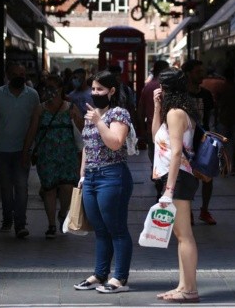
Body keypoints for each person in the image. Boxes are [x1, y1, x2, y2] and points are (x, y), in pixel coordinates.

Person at [73, 70, 134, 294]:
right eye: (93, 88)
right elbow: (87, 149)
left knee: (116, 229)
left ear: (112, 91)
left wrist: (99, 122)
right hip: (91, 178)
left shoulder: (118, 114)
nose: (95, 93)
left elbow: (115, 142)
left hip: (112, 176)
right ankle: (100, 274)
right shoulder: (92, 114)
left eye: (100, 89)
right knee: (100, 230)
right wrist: (82, 176)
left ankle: (120, 278)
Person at [151, 68, 201, 303]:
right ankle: (183, 286)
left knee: (184, 235)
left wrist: (168, 190)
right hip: (176, 177)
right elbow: (155, 139)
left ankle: (189, 289)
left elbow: (176, 152)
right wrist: (156, 108)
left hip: (178, 177)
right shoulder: (173, 112)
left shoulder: (176, 114)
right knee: (181, 235)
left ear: (167, 88)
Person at [0, 63, 40, 238]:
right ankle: (7, 218)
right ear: (7, 75)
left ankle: (20, 223)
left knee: (21, 186)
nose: (19, 76)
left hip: (23, 149)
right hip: (1, 149)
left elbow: (36, 122)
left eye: (22, 73)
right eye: (15, 74)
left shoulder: (33, 95)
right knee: (6, 187)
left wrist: (31, 148)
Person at [22, 75, 84, 239]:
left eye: (52, 87)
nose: (49, 91)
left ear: (60, 89)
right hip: (47, 155)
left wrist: (77, 119)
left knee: (67, 188)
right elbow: (32, 131)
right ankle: (51, 225)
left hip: (68, 156)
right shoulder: (40, 109)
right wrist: (26, 152)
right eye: (46, 87)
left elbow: (83, 129)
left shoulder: (71, 107)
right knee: (49, 189)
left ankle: (63, 212)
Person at [182, 60, 217, 225]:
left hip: (204, 141)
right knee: (188, 179)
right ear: (188, 74)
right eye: (197, 72)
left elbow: (211, 117)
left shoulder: (206, 95)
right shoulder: (181, 95)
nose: (201, 74)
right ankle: (187, 211)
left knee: (208, 177)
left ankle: (204, 209)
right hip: (186, 142)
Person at [137, 60, 170, 200]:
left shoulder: (148, 87)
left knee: (156, 161)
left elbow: (140, 112)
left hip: (152, 132)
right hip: (169, 131)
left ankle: (159, 186)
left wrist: (141, 131)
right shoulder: (169, 87)